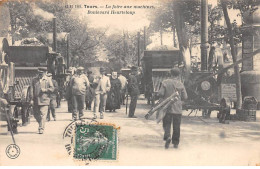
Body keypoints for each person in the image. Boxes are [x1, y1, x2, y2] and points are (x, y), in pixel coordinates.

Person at [157, 68, 187, 149]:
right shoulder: (181, 84)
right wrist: (181, 102)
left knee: (166, 123)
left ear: (170, 74)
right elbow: (185, 97)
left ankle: (168, 136)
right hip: (177, 108)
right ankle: (176, 143)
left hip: (167, 107)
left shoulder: (165, 82)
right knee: (176, 126)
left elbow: (161, 93)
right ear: (178, 75)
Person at [30, 67, 54, 134]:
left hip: (44, 100)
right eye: (39, 73)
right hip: (36, 100)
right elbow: (31, 90)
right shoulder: (34, 80)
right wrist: (31, 99)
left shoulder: (48, 80)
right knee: (36, 114)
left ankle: (41, 128)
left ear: (44, 73)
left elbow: (52, 89)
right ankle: (41, 123)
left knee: (43, 114)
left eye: (41, 73)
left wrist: (45, 90)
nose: (40, 74)